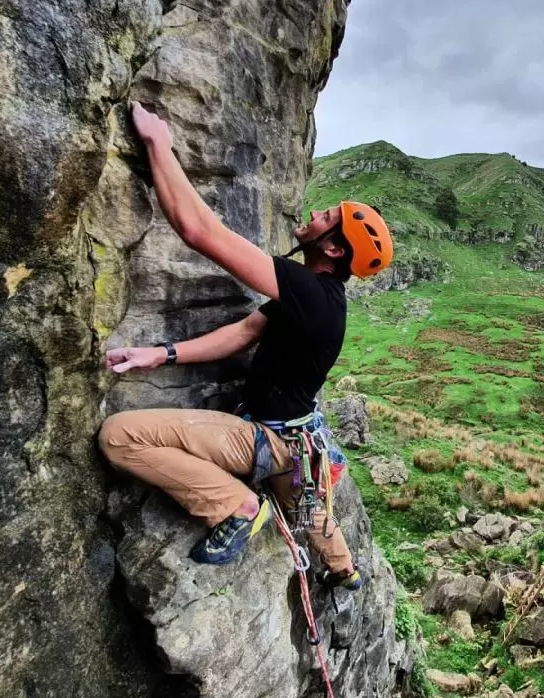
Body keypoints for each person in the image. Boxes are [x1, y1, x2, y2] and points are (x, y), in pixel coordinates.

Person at [98, 102, 393, 582]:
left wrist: (159, 145)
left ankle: (235, 506)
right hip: (300, 444)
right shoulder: (319, 298)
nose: (315, 212)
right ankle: (345, 571)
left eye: (328, 217)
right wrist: (162, 354)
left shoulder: (307, 291)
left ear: (334, 248)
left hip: (267, 438)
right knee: (313, 516)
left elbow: (198, 230)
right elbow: (243, 333)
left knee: (120, 437)